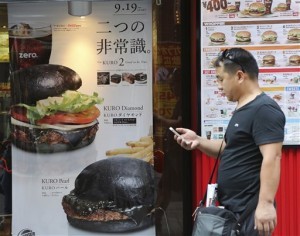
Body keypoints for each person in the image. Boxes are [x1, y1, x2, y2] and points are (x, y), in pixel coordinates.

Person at [173, 48, 285, 236]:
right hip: (233, 208)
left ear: (240, 76)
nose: (219, 85)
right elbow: (227, 148)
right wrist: (198, 141)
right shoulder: (243, 108)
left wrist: (265, 204)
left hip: (249, 210)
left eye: (221, 79)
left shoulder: (264, 109)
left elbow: (272, 158)